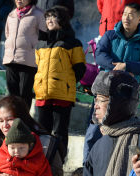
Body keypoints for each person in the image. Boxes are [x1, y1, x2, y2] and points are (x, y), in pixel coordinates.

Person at [33, 5, 86, 159]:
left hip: (62, 95)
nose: (49, 20)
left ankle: (58, 162)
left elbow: (79, 68)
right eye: (47, 17)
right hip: (43, 94)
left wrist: (66, 83)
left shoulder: (73, 42)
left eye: (53, 17)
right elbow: (39, 67)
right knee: (42, 131)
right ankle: (41, 161)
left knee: (60, 132)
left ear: (62, 19)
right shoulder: (41, 42)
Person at [96, 3, 140, 85]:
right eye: (124, 14)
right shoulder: (110, 35)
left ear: (139, 20)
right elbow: (99, 55)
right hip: (106, 83)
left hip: (129, 87)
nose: (126, 18)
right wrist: (118, 68)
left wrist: (127, 66)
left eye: (131, 15)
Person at [3, 0, 46, 108]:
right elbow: (7, 34)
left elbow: (44, 36)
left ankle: (24, 121)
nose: (19, 0)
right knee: (12, 94)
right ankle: (13, 118)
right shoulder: (11, 15)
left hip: (28, 61)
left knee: (24, 94)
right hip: (10, 59)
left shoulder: (38, 14)